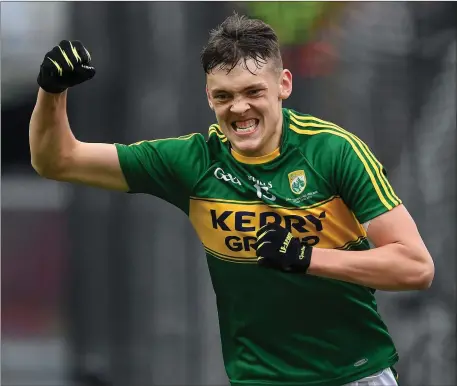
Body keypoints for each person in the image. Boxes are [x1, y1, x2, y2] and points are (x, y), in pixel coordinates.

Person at [29, 13, 434, 386]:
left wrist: (306, 258)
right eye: (223, 96)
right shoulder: (192, 161)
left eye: (253, 91)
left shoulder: (333, 151)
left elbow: (415, 266)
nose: (239, 108)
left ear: (284, 85)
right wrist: (52, 91)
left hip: (354, 373)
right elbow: (58, 161)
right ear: (208, 97)